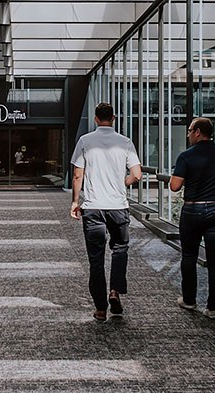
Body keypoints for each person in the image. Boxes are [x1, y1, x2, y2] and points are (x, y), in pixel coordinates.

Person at [70, 103, 142, 322]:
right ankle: (115, 291)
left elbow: (77, 175)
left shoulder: (85, 141)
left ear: (95, 119)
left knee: (96, 259)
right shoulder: (125, 142)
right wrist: (123, 183)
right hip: (118, 207)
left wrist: (75, 202)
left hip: (93, 207)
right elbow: (137, 175)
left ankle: (100, 309)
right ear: (113, 118)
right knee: (120, 249)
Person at [169, 117, 215, 320]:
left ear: (197, 132)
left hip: (193, 210)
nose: (188, 135)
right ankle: (213, 308)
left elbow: (174, 186)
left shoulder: (186, 156)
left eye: (189, 131)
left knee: (189, 256)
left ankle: (189, 301)